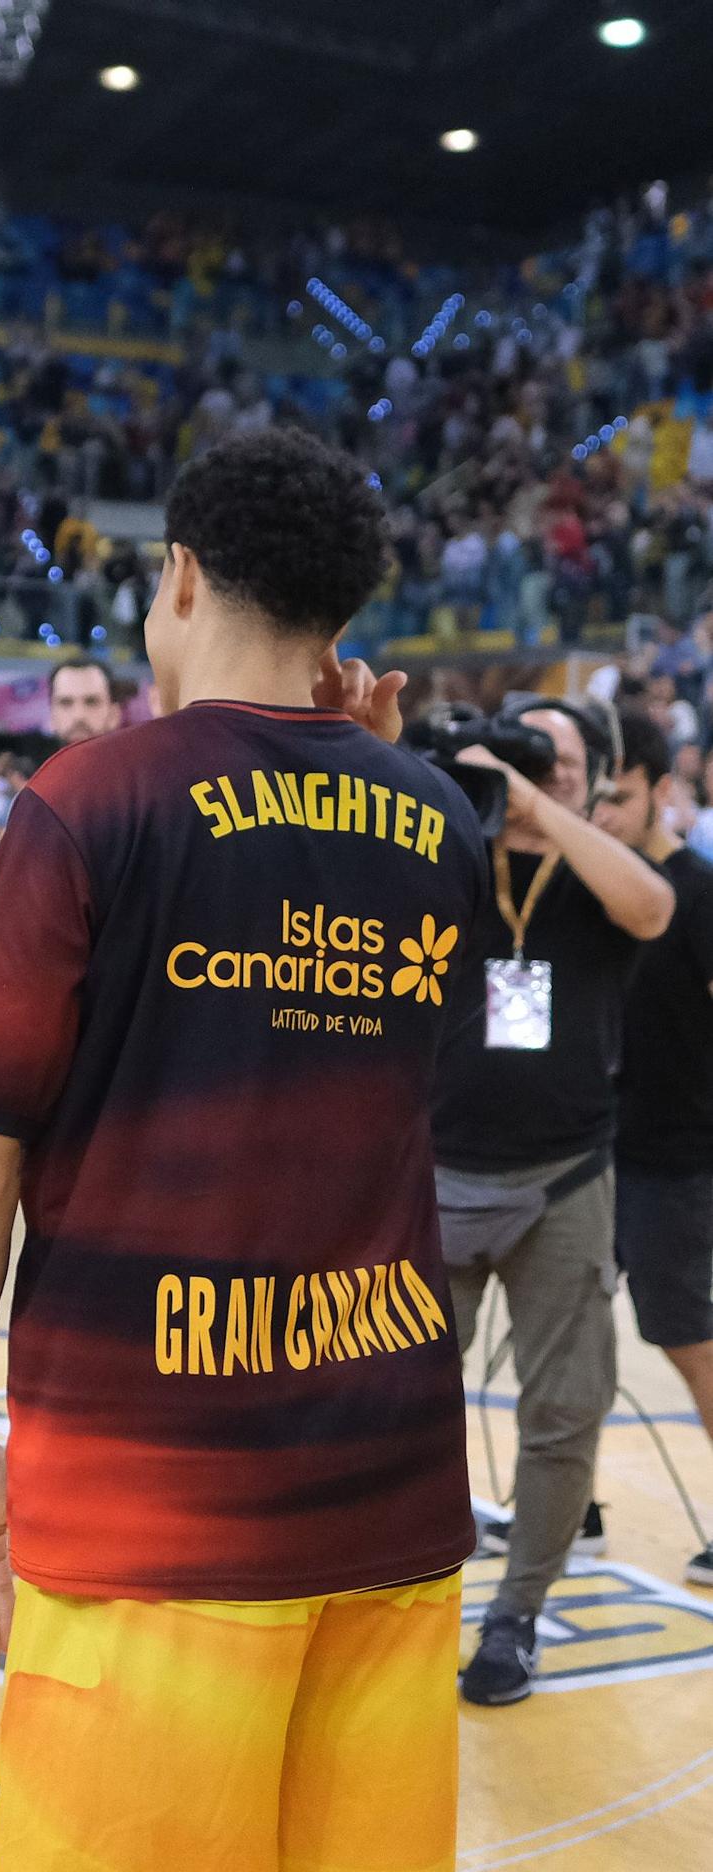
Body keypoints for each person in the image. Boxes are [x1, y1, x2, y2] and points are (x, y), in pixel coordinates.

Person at [0, 427, 482, 1872]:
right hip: (386, 1468)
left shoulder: (90, 802)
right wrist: (370, 768)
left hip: (156, 1490)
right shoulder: (437, 819)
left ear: (173, 576)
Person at [436, 700, 674, 1705]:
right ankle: (402, 1591)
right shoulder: (447, 855)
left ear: (595, 776)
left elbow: (653, 908)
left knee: (563, 1412)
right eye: (525, 753)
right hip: (432, 1174)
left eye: (562, 760)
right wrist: (473, 791)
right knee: (402, 1407)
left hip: (564, 1178)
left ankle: (517, 1613)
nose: (539, 775)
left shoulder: (596, 876)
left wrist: (544, 804)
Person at [595, 709, 713, 1584]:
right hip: (591, 1149)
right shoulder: (589, 884)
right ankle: (572, 1505)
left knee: (684, 1338)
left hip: (677, 1158)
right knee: (568, 1337)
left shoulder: (700, 894)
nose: (600, 814)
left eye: (618, 797)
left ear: (662, 792)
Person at [46, 657, 121, 752]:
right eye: (66, 703)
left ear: (114, 714)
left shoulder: (139, 767)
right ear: (51, 714)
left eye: (91, 702)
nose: (79, 715)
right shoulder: (35, 766)